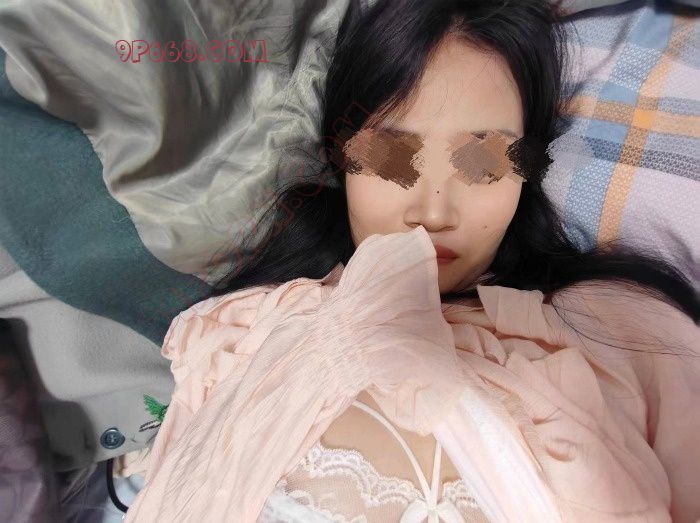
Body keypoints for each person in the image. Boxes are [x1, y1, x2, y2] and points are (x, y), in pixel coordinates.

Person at [125, 1, 700, 522]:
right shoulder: (236, 335)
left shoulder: (627, 334)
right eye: (390, 157)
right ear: (341, 159)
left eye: (484, 163)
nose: (433, 211)